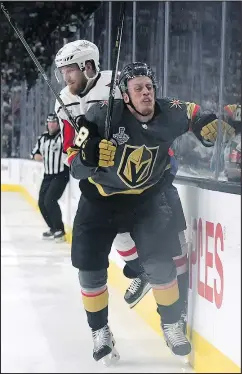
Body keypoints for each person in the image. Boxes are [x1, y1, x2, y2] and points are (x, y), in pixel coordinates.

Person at [65, 61, 230, 365]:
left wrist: (206, 123)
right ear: (125, 96)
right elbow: (74, 164)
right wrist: (90, 158)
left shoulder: (170, 111)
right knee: (89, 270)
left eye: (149, 87)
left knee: (159, 263)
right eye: (138, 88)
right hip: (100, 201)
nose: (146, 93)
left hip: (145, 201)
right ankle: (100, 330)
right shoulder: (101, 115)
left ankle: (170, 324)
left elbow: (195, 115)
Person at [54, 40, 187, 313]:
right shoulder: (64, 101)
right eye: (62, 72)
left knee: (171, 238)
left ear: (88, 67)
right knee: (120, 234)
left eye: (70, 70)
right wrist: (84, 159)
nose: (66, 78)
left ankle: (177, 304)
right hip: (109, 178)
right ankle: (142, 272)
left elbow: (153, 113)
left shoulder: (119, 84)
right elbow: (72, 147)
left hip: (151, 172)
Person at [31, 113, 69, 242]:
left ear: (58, 124)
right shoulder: (43, 138)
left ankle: (60, 229)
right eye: (49, 122)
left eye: (54, 122)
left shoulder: (62, 137)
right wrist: (39, 157)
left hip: (60, 174)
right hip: (47, 174)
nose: (51, 124)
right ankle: (52, 228)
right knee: (41, 203)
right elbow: (35, 153)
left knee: (50, 200)